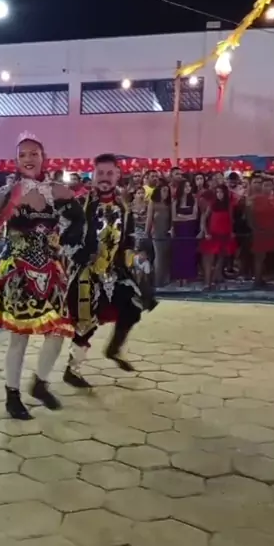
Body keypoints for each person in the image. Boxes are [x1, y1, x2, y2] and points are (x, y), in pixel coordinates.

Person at [0, 133, 85, 420]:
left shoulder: (58, 191)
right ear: (16, 161)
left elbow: (79, 221)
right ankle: (12, 395)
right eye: (23, 154)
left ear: (43, 158)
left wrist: (64, 240)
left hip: (49, 269)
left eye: (34, 153)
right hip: (18, 269)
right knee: (20, 337)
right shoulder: (5, 193)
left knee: (60, 330)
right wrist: (2, 211)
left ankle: (39, 382)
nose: (29, 159)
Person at [64, 153, 155, 389]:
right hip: (85, 273)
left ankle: (114, 349)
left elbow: (127, 241)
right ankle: (72, 370)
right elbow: (64, 238)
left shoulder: (123, 207)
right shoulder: (80, 205)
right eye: (100, 173)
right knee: (86, 323)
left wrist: (135, 260)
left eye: (109, 173)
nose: (105, 178)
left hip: (115, 272)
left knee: (133, 306)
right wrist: (81, 254)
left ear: (117, 175)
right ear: (93, 175)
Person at [246, 174, 274, 287]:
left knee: (265, 256)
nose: (267, 188)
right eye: (265, 185)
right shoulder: (253, 200)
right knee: (259, 256)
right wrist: (254, 228)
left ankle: (261, 278)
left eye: (269, 185)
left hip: (271, 230)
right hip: (258, 231)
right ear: (261, 187)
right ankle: (257, 280)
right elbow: (249, 216)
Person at [200, 183, 236, 289]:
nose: (219, 194)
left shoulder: (228, 205)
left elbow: (231, 220)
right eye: (217, 192)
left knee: (221, 257)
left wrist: (231, 232)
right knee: (209, 258)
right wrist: (206, 232)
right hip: (213, 235)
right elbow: (204, 219)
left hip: (225, 234)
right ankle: (207, 282)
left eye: (221, 192)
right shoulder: (212, 204)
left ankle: (215, 279)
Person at [171, 178, 199, 284]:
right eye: (186, 186)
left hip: (190, 229)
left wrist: (181, 216)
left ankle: (188, 276)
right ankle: (179, 276)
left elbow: (194, 216)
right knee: (179, 253)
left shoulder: (193, 200)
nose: (188, 188)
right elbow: (174, 218)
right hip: (179, 230)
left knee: (189, 253)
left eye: (189, 186)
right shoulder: (175, 201)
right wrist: (187, 217)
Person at [146, 183, 172, 287]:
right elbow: (149, 218)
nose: (166, 193)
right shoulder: (153, 203)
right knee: (159, 256)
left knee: (166, 256)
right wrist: (146, 232)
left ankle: (165, 279)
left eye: (167, 191)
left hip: (166, 232)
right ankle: (157, 281)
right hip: (156, 232)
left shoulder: (168, 204)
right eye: (164, 191)